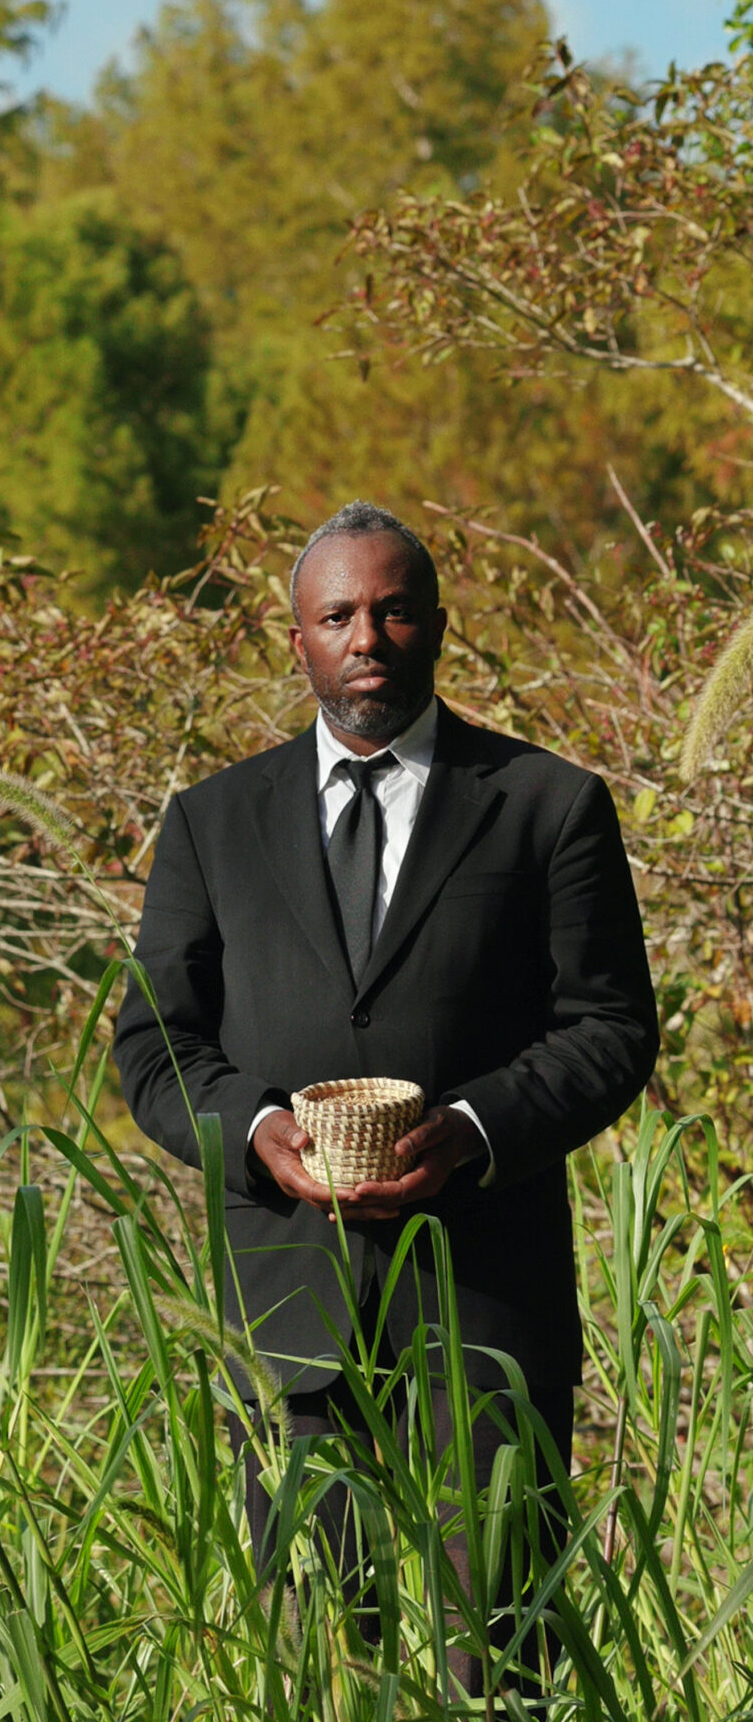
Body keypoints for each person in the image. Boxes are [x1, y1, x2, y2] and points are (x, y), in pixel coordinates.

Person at [114, 500, 659, 1695]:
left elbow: (613, 1028)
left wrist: (468, 1135)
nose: (370, 635)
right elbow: (154, 1047)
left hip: (488, 1310)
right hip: (288, 1311)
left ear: (439, 627)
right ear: (296, 640)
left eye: (396, 607)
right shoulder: (212, 823)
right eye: (339, 614)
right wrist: (259, 1134)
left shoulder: (546, 804)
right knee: (316, 1671)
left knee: (503, 1663)